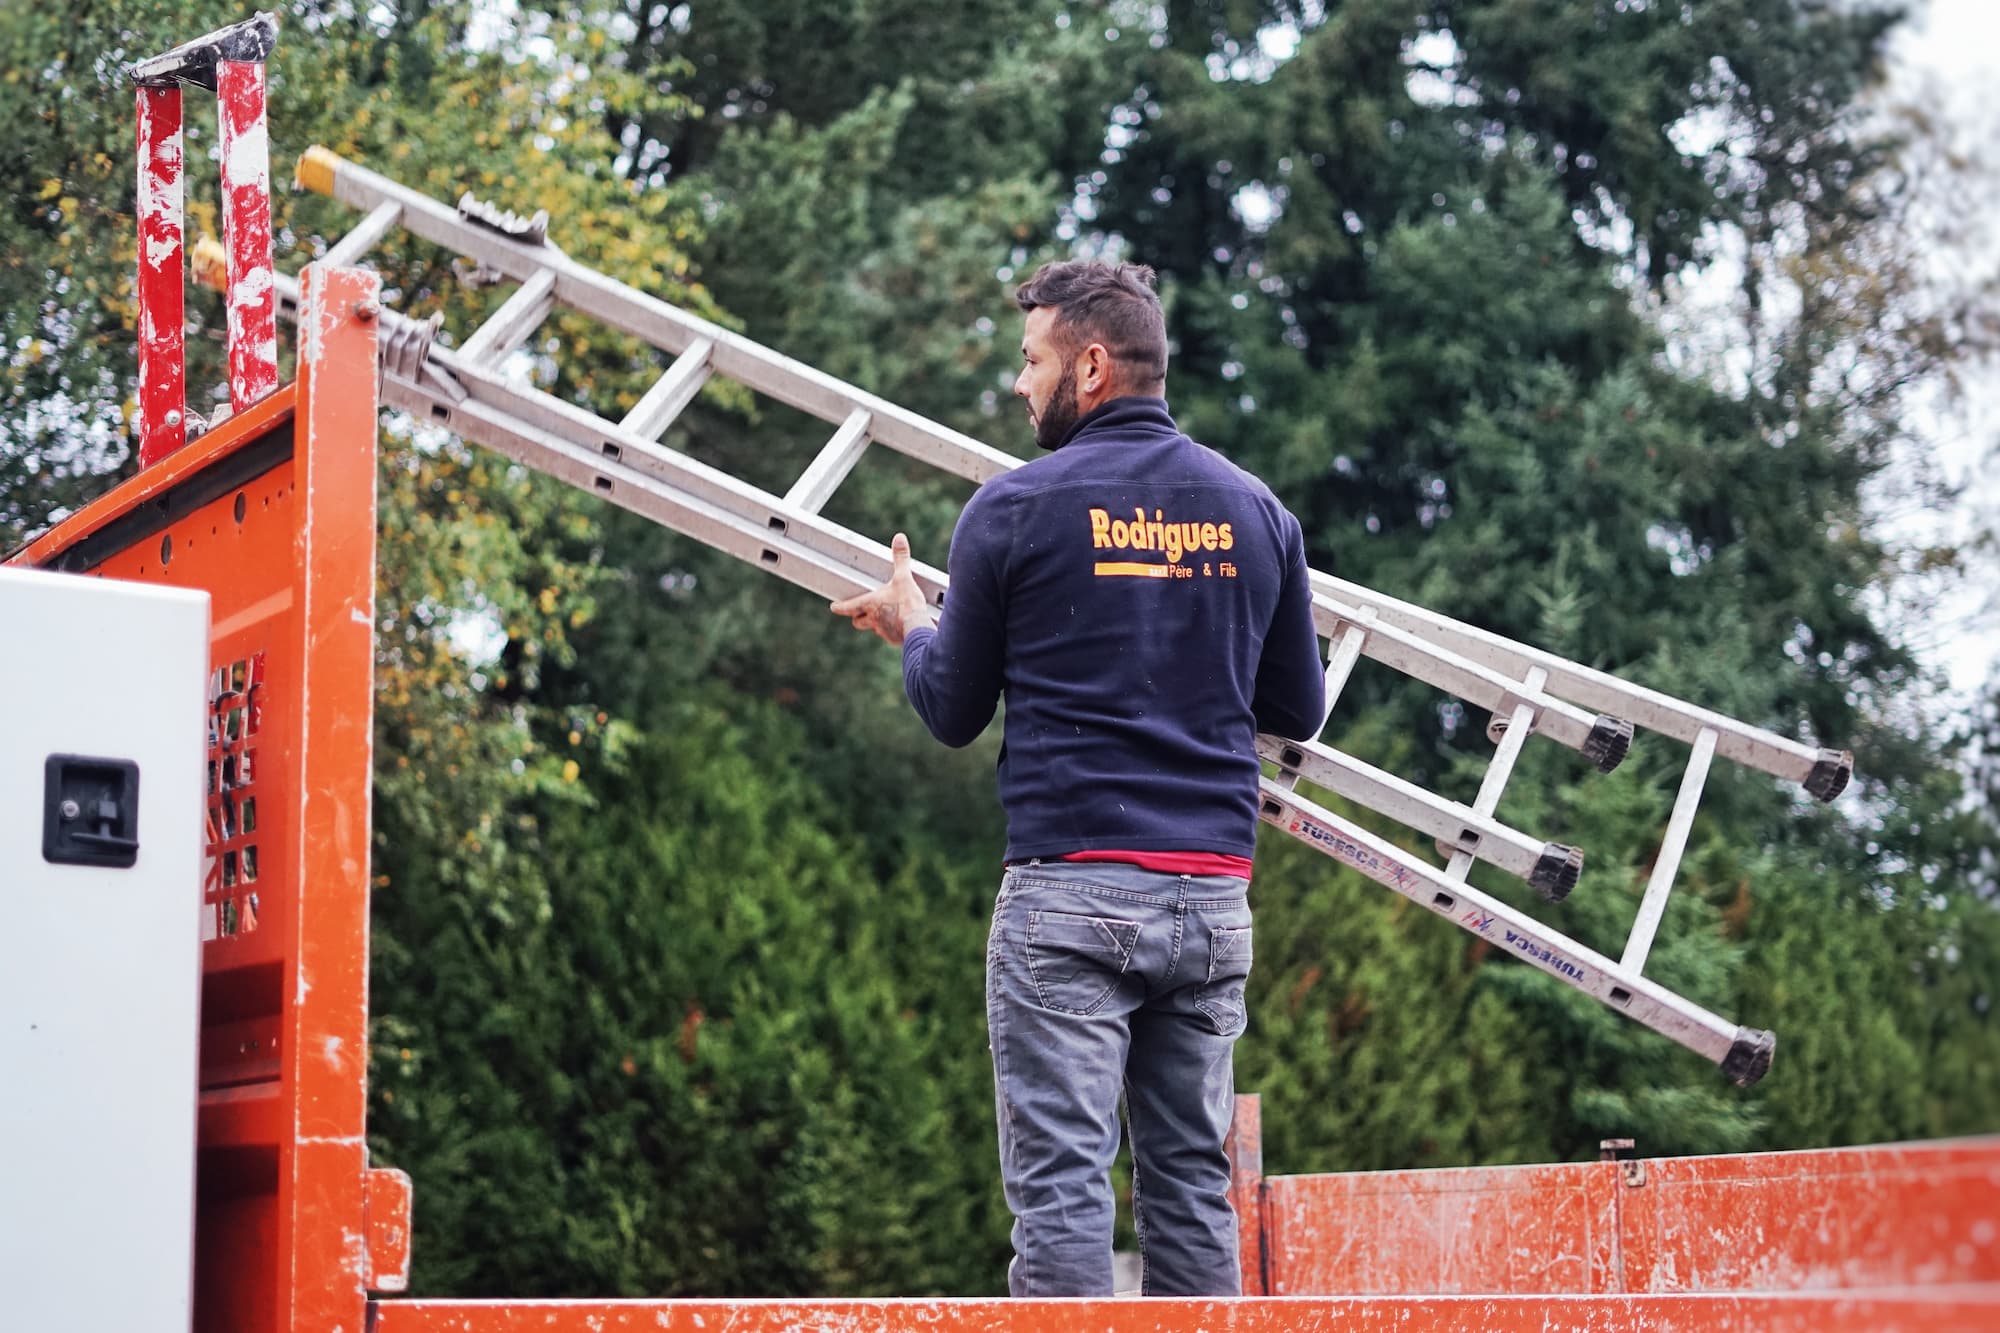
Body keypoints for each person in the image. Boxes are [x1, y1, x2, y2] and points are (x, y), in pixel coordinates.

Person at [831, 259, 1324, 1297]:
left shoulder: (1012, 513)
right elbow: (1297, 711)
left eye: (1031, 359)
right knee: (1191, 1185)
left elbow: (952, 709)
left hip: (1069, 899)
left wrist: (912, 618)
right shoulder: (1255, 512)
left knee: (1062, 1191)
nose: (1019, 385)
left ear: (1090, 365)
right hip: (1207, 900)